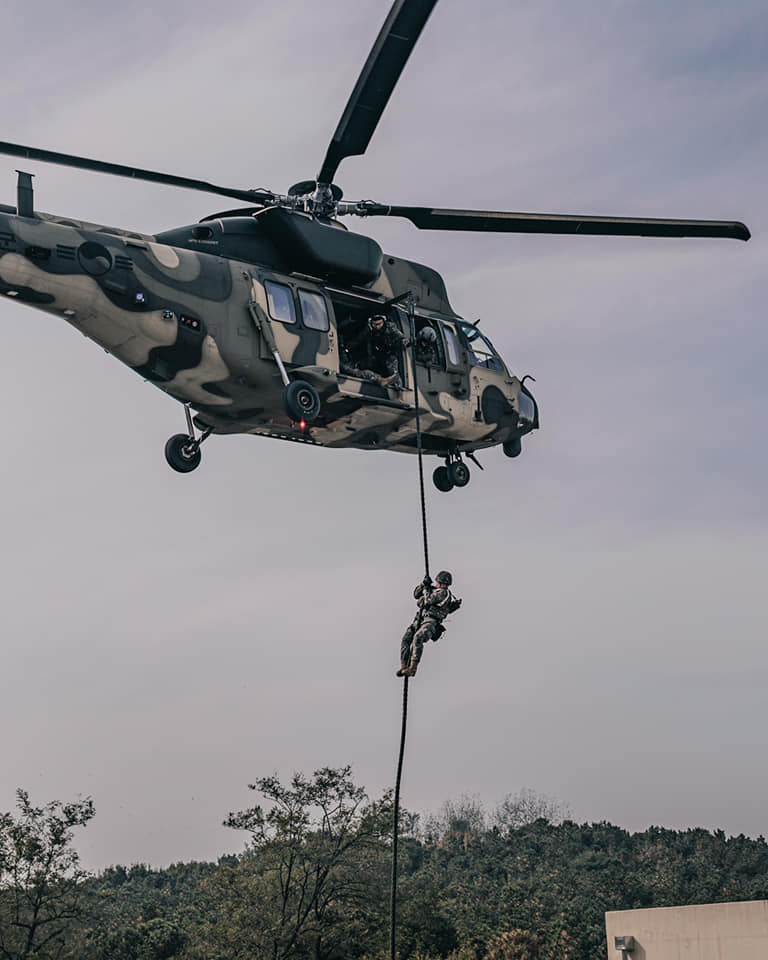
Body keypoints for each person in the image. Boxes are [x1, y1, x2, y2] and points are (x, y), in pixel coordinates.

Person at [397, 571, 462, 678]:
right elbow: (416, 595)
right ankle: (404, 666)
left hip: (431, 621)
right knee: (406, 638)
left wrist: (426, 590)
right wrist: (423, 584)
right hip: (420, 619)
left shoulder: (443, 593)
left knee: (418, 638)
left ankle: (413, 668)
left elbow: (428, 600)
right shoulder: (434, 590)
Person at [368, 313, 407, 388]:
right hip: (378, 353)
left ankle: (399, 390)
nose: (377, 326)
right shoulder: (371, 329)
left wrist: (403, 341)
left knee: (393, 372)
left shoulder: (390, 327)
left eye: (379, 324)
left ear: (383, 321)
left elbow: (399, 336)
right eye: (374, 324)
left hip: (390, 352)